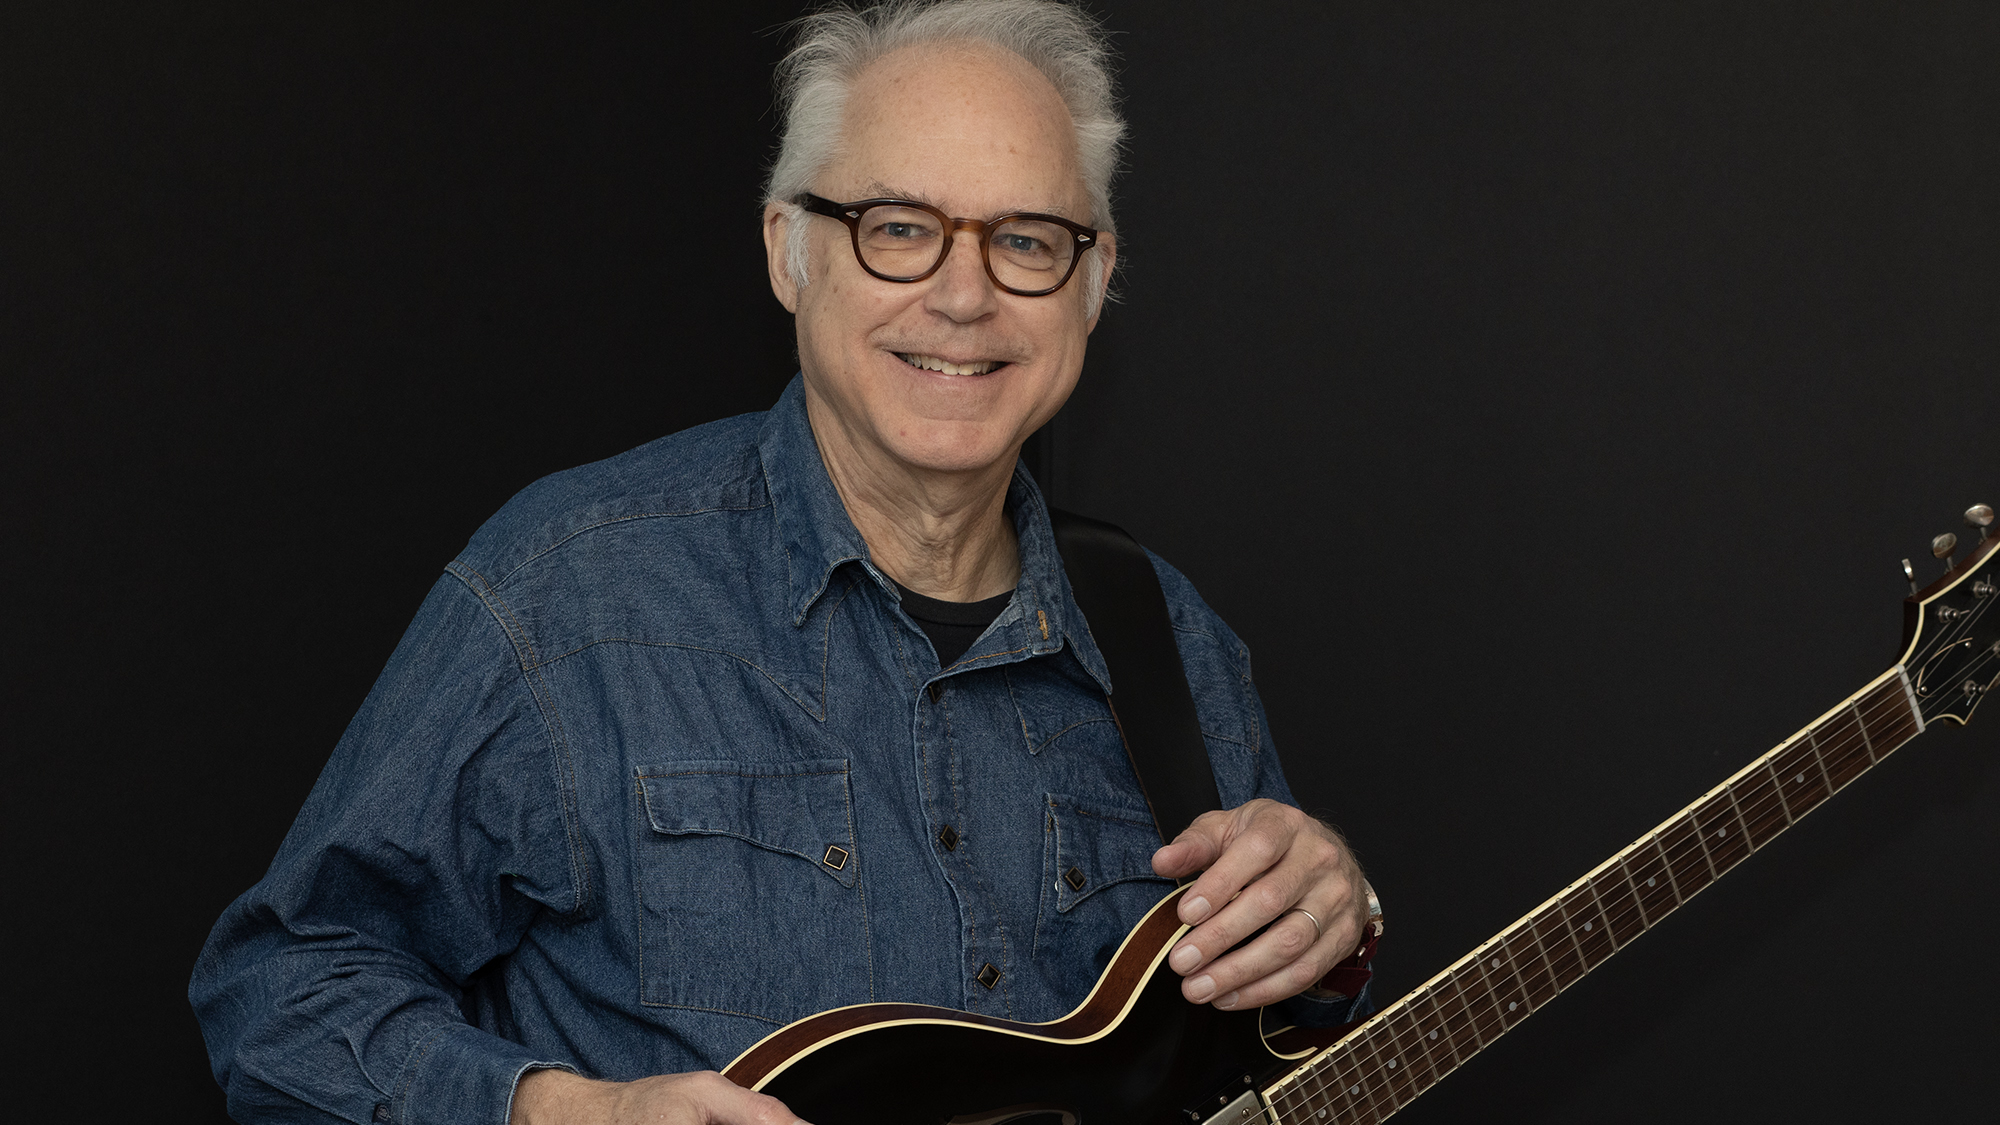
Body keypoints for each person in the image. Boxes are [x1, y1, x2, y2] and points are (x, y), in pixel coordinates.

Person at [191, 3, 1376, 1122]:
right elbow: (278, 989)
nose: (963, 296)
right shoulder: (569, 594)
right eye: (898, 229)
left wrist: (1330, 938)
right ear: (786, 251)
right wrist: (560, 1109)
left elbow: (1249, 1065)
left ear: (1094, 280)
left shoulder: (1172, 646)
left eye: (1025, 239)